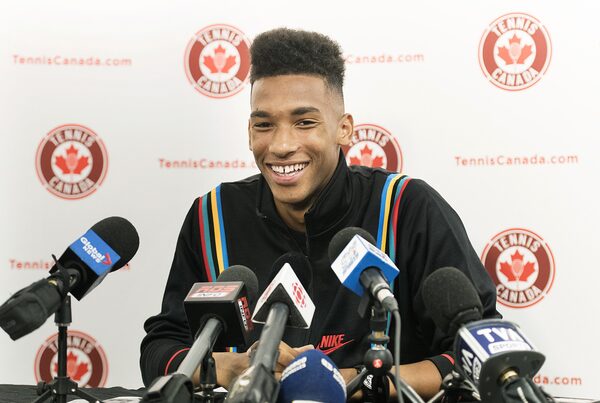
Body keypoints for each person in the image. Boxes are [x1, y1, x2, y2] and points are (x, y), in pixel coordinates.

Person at [140, 28, 498, 399]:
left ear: (344, 129)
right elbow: (160, 349)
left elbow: (479, 353)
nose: (281, 145)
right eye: (264, 124)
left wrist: (345, 381)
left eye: (304, 122)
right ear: (249, 132)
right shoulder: (213, 216)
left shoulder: (406, 206)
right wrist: (228, 367)